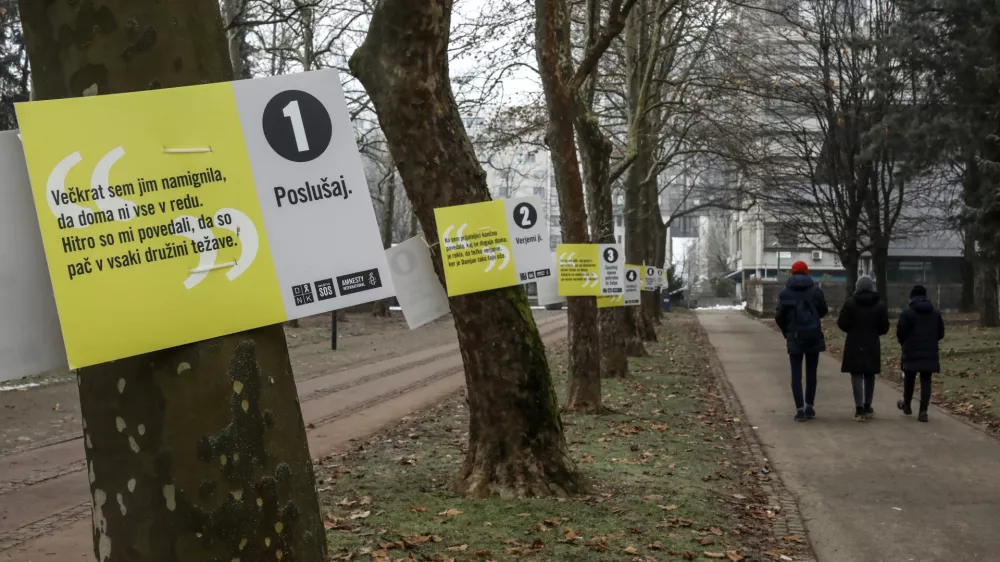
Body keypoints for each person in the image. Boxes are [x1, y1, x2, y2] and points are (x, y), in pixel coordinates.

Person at [776, 260, 829, 422]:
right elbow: (823, 310)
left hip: (795, 337)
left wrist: (787, 332)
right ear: (806, 272)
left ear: (792, 273)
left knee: (796, 375)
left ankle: (799, 410)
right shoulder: (816, 291)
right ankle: (809, 406)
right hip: (813, 336)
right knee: (811, 373)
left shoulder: (786, 293)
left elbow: (779, 316)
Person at [836, 275, 890, 421]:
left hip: (854, 341)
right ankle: (868, 405)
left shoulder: (850, 304)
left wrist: (852, 329)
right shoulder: (879, 305)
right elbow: (884, 327)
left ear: (857, 287)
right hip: (872, 342)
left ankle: (858, 407)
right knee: (870, 374)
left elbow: (842, 323)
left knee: (856, 375)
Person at [896, 285, 945, 422]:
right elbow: (941, 332)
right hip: (929, 351)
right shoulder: (935, 312)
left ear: (911, 296)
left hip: (910, 349)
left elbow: (900, 332)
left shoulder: (907, 312)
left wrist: (904, 343)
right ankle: (923, 411)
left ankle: (907, 404)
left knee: (909, 378)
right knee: (926, 380)